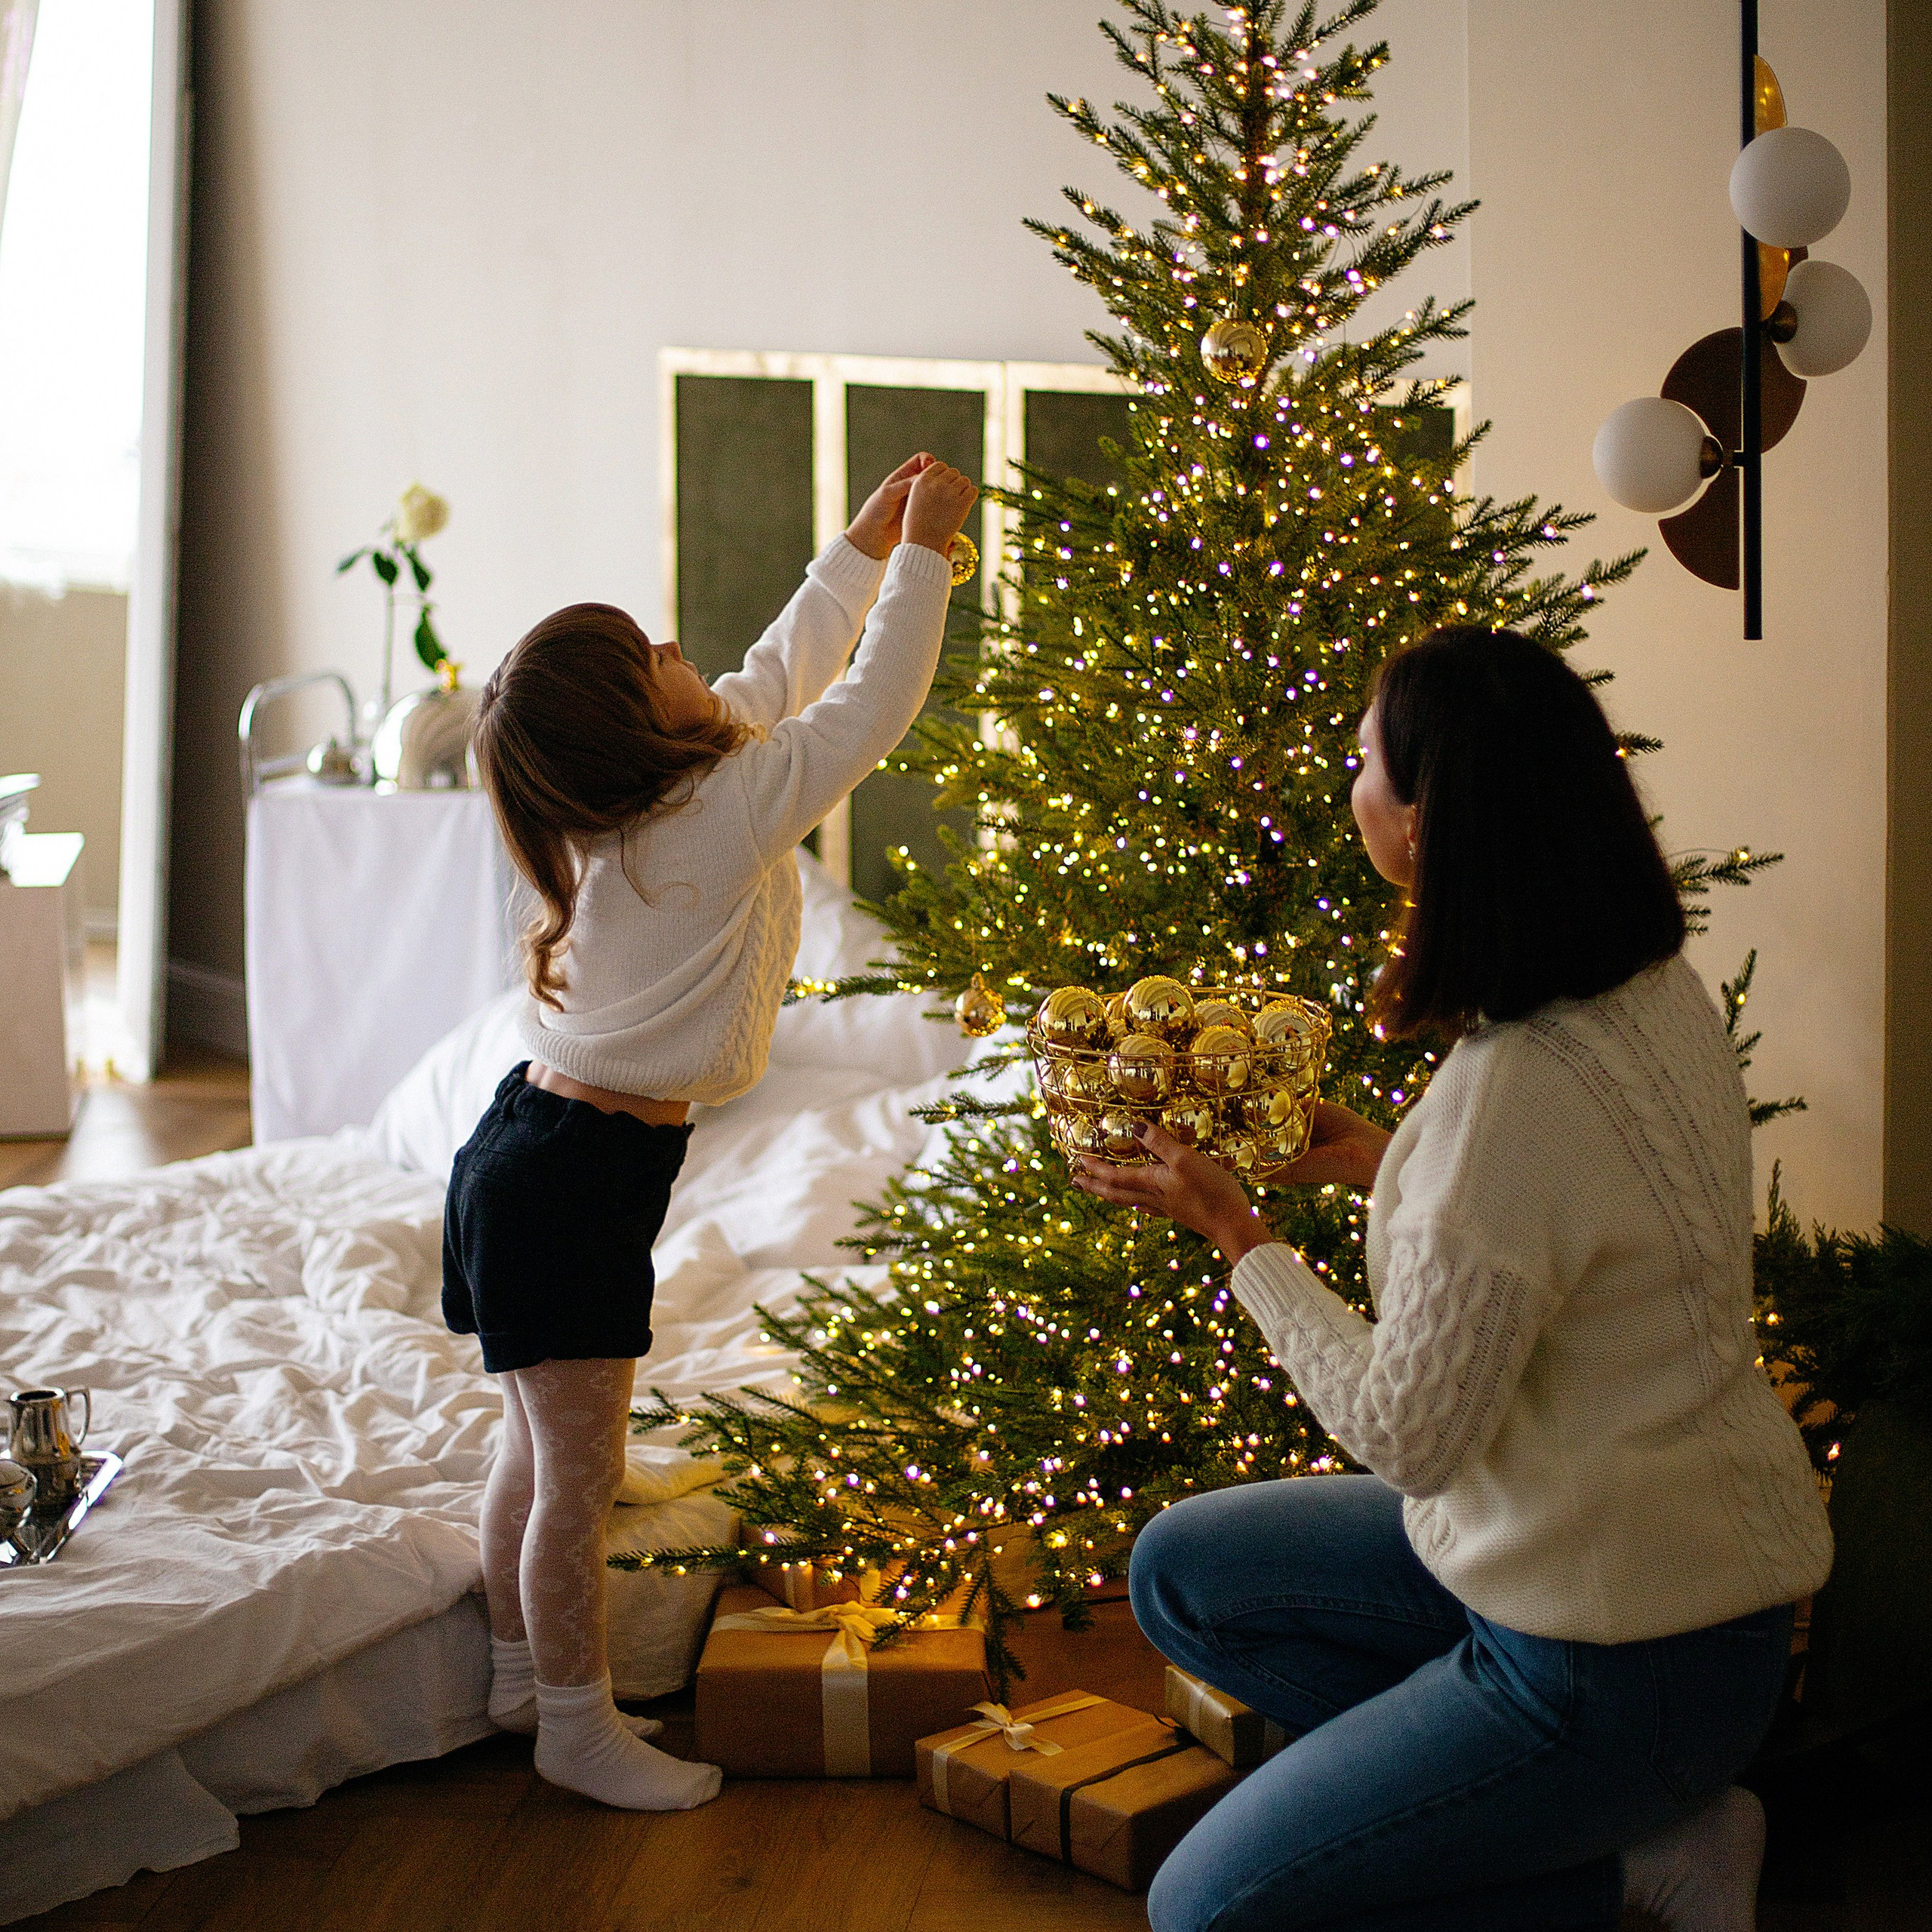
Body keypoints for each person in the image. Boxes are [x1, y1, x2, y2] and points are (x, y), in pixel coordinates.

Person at [1074, 625, 1832, 1932]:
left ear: (1428, 824)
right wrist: (1381, 1164)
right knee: (1181, 1570)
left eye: (1365, 759)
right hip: (1606, 1569)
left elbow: (1408, 1437)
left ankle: (1643, 1861)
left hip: (1619, 1659)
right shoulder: (1644, 989)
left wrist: (1239, 1239)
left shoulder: (1512, 1091)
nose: (1349, 780)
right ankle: (1463, 1800)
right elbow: (1581, 1235)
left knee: (1207, 1910)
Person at [445, 453, 978, 1810]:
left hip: (526, 1155)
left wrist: (856, 547)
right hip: (574, 1185)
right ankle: (576, 1720)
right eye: (648, 657)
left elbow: (780, 665)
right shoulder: (719, 811)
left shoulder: (653, 793)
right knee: (579, 1474)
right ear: (637, 726)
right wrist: (924, 560)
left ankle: (516, 1674)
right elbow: (867, 705)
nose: (680, 647)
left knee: (534, 1446)